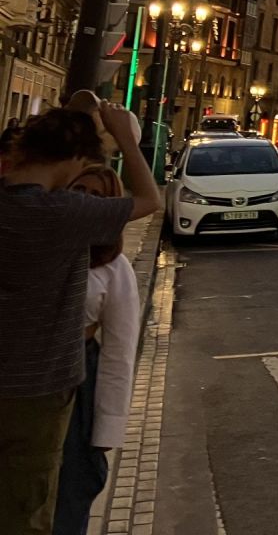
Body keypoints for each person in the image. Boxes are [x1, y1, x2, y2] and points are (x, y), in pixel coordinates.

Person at [0, 104, 157, 533]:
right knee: (28, 509)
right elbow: (149, 200)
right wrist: (127, 138)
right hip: (38, 391)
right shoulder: (63, 213)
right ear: (73, 161)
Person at [53, 166, 138, 535]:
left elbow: (119, 353)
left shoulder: (114, 268)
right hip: (25, 372)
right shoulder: (38, 245)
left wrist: (107, 431)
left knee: (70, 491)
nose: (87, 201)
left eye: (99, 198)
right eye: (79, 190)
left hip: (79, 379)